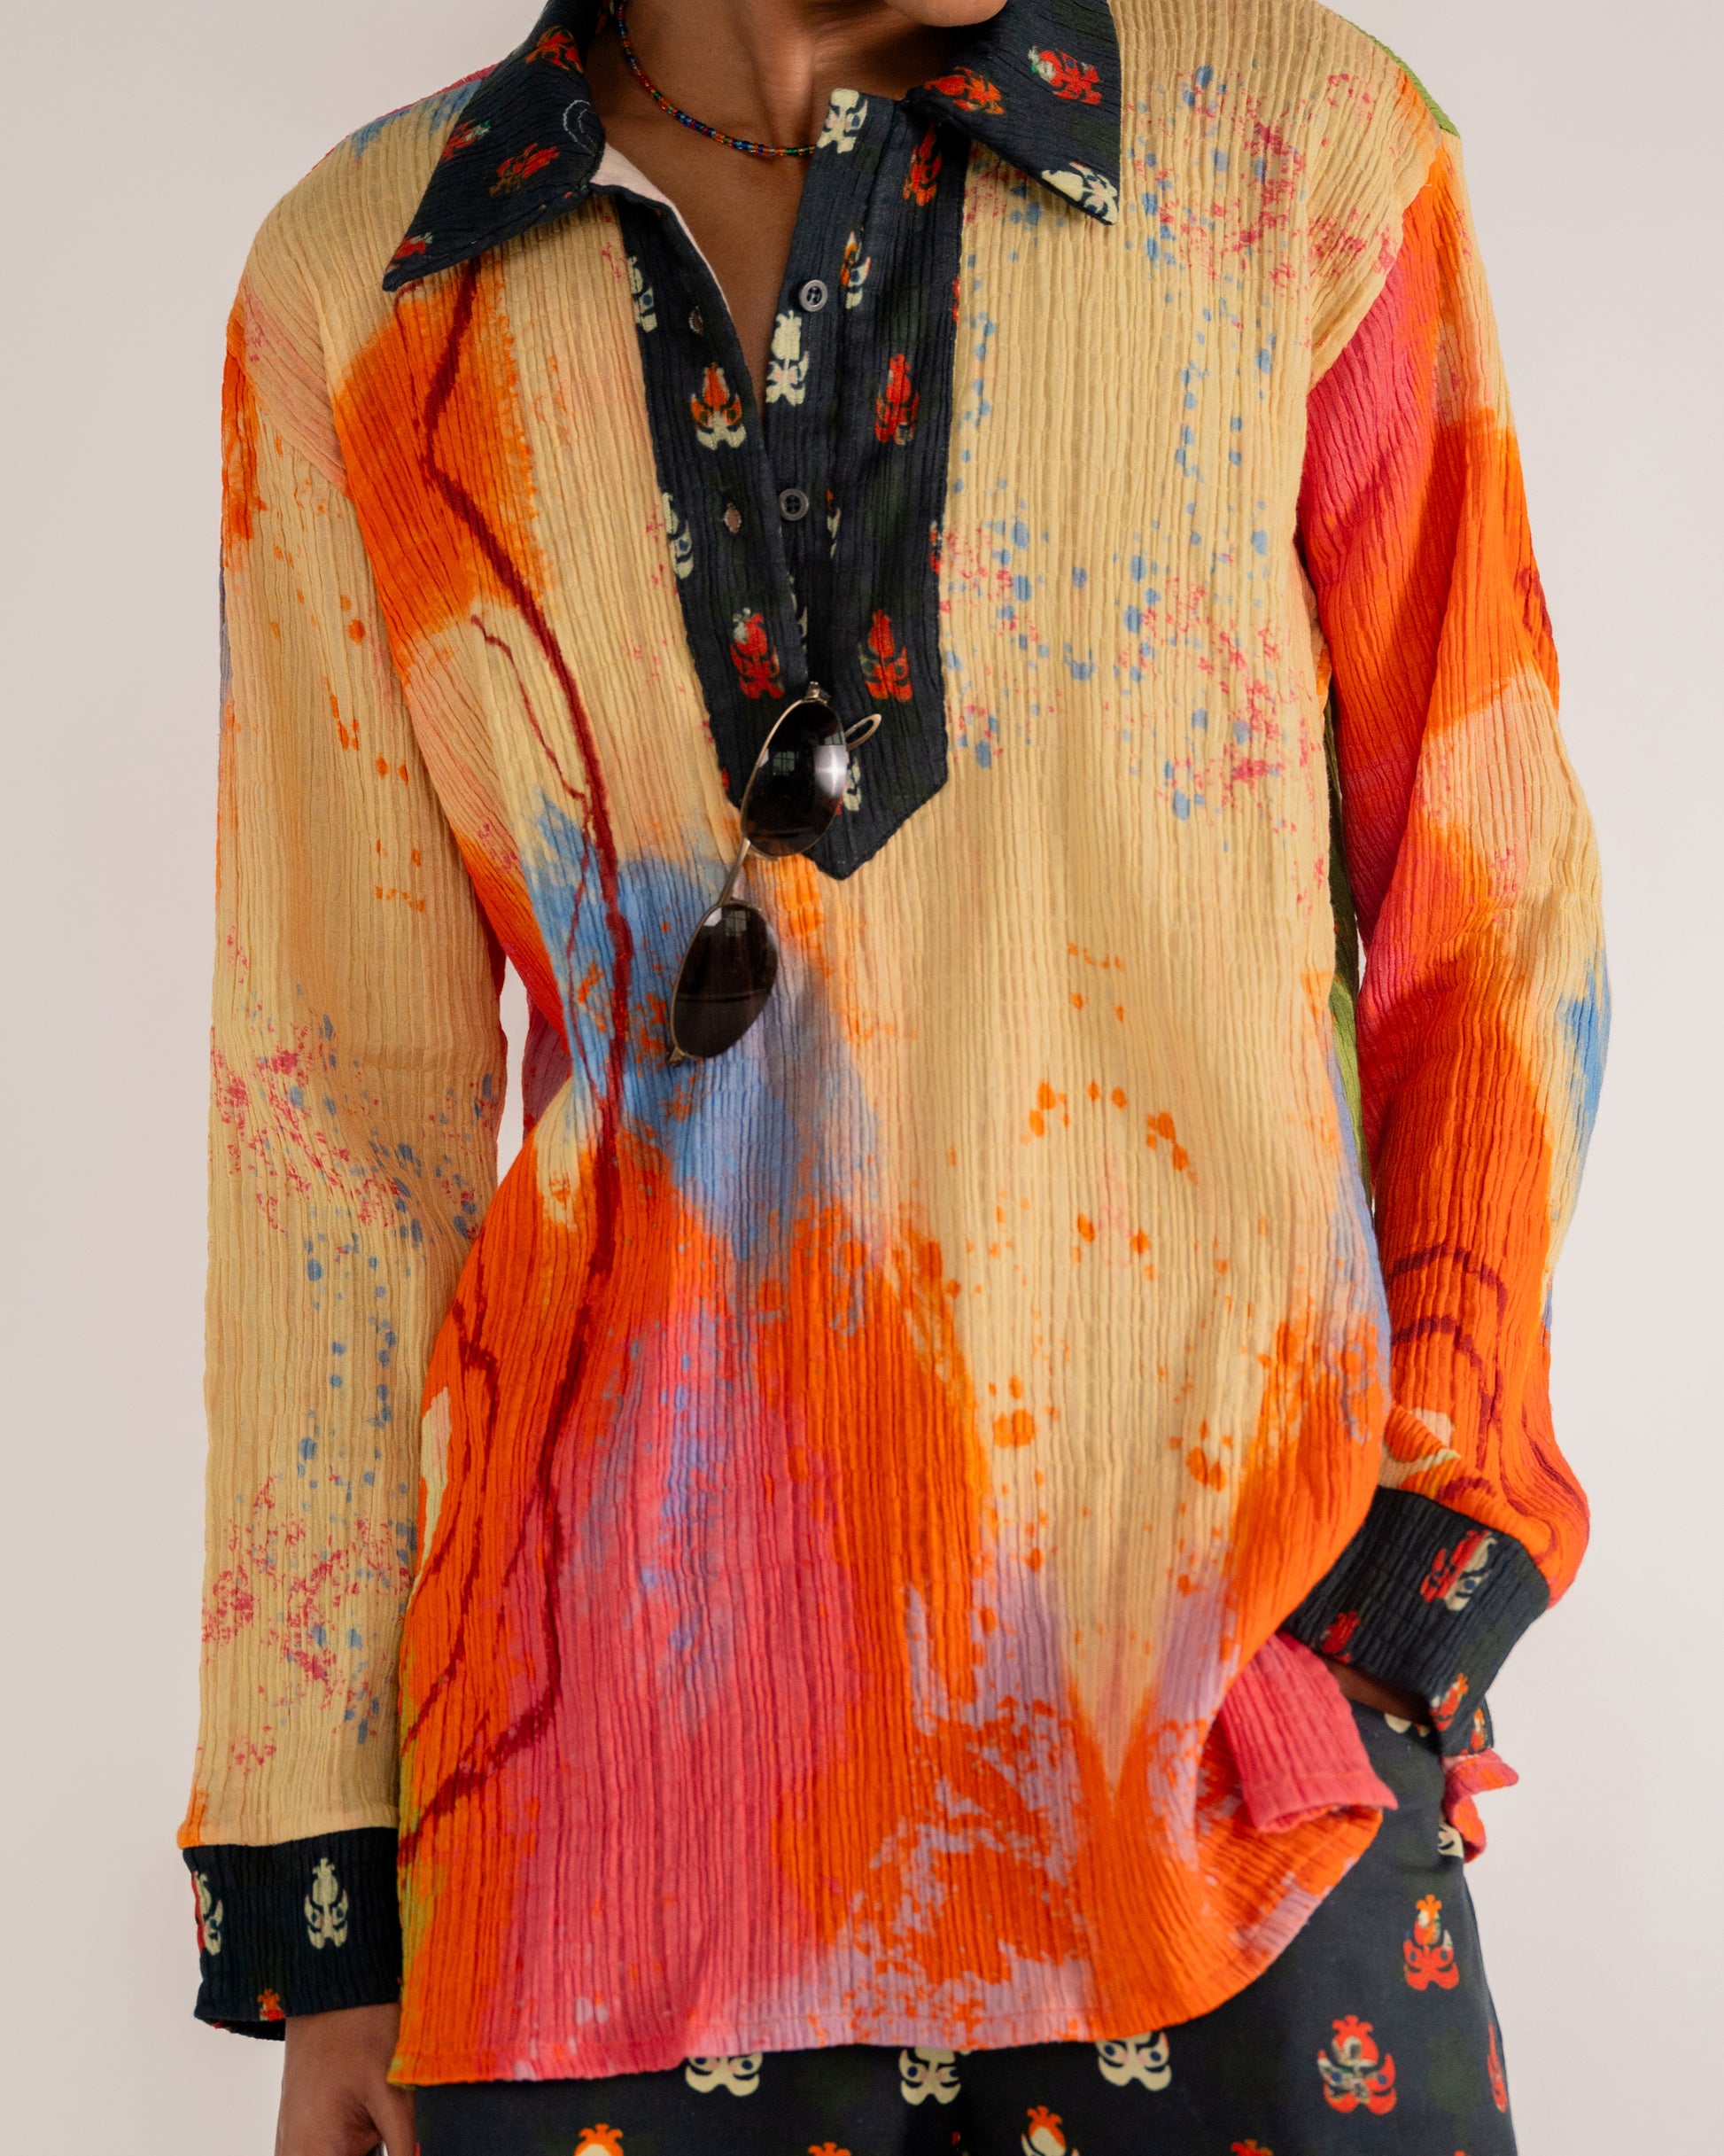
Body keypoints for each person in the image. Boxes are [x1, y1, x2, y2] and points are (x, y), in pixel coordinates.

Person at [180, 0, 1606, 2150]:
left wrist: (1413, 1590)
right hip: (593, 1865)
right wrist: (331, 1903)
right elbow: (334, 1118)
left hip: (1239, 1811)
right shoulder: (370, 276)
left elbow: (1485, 913)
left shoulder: (1291, 151)